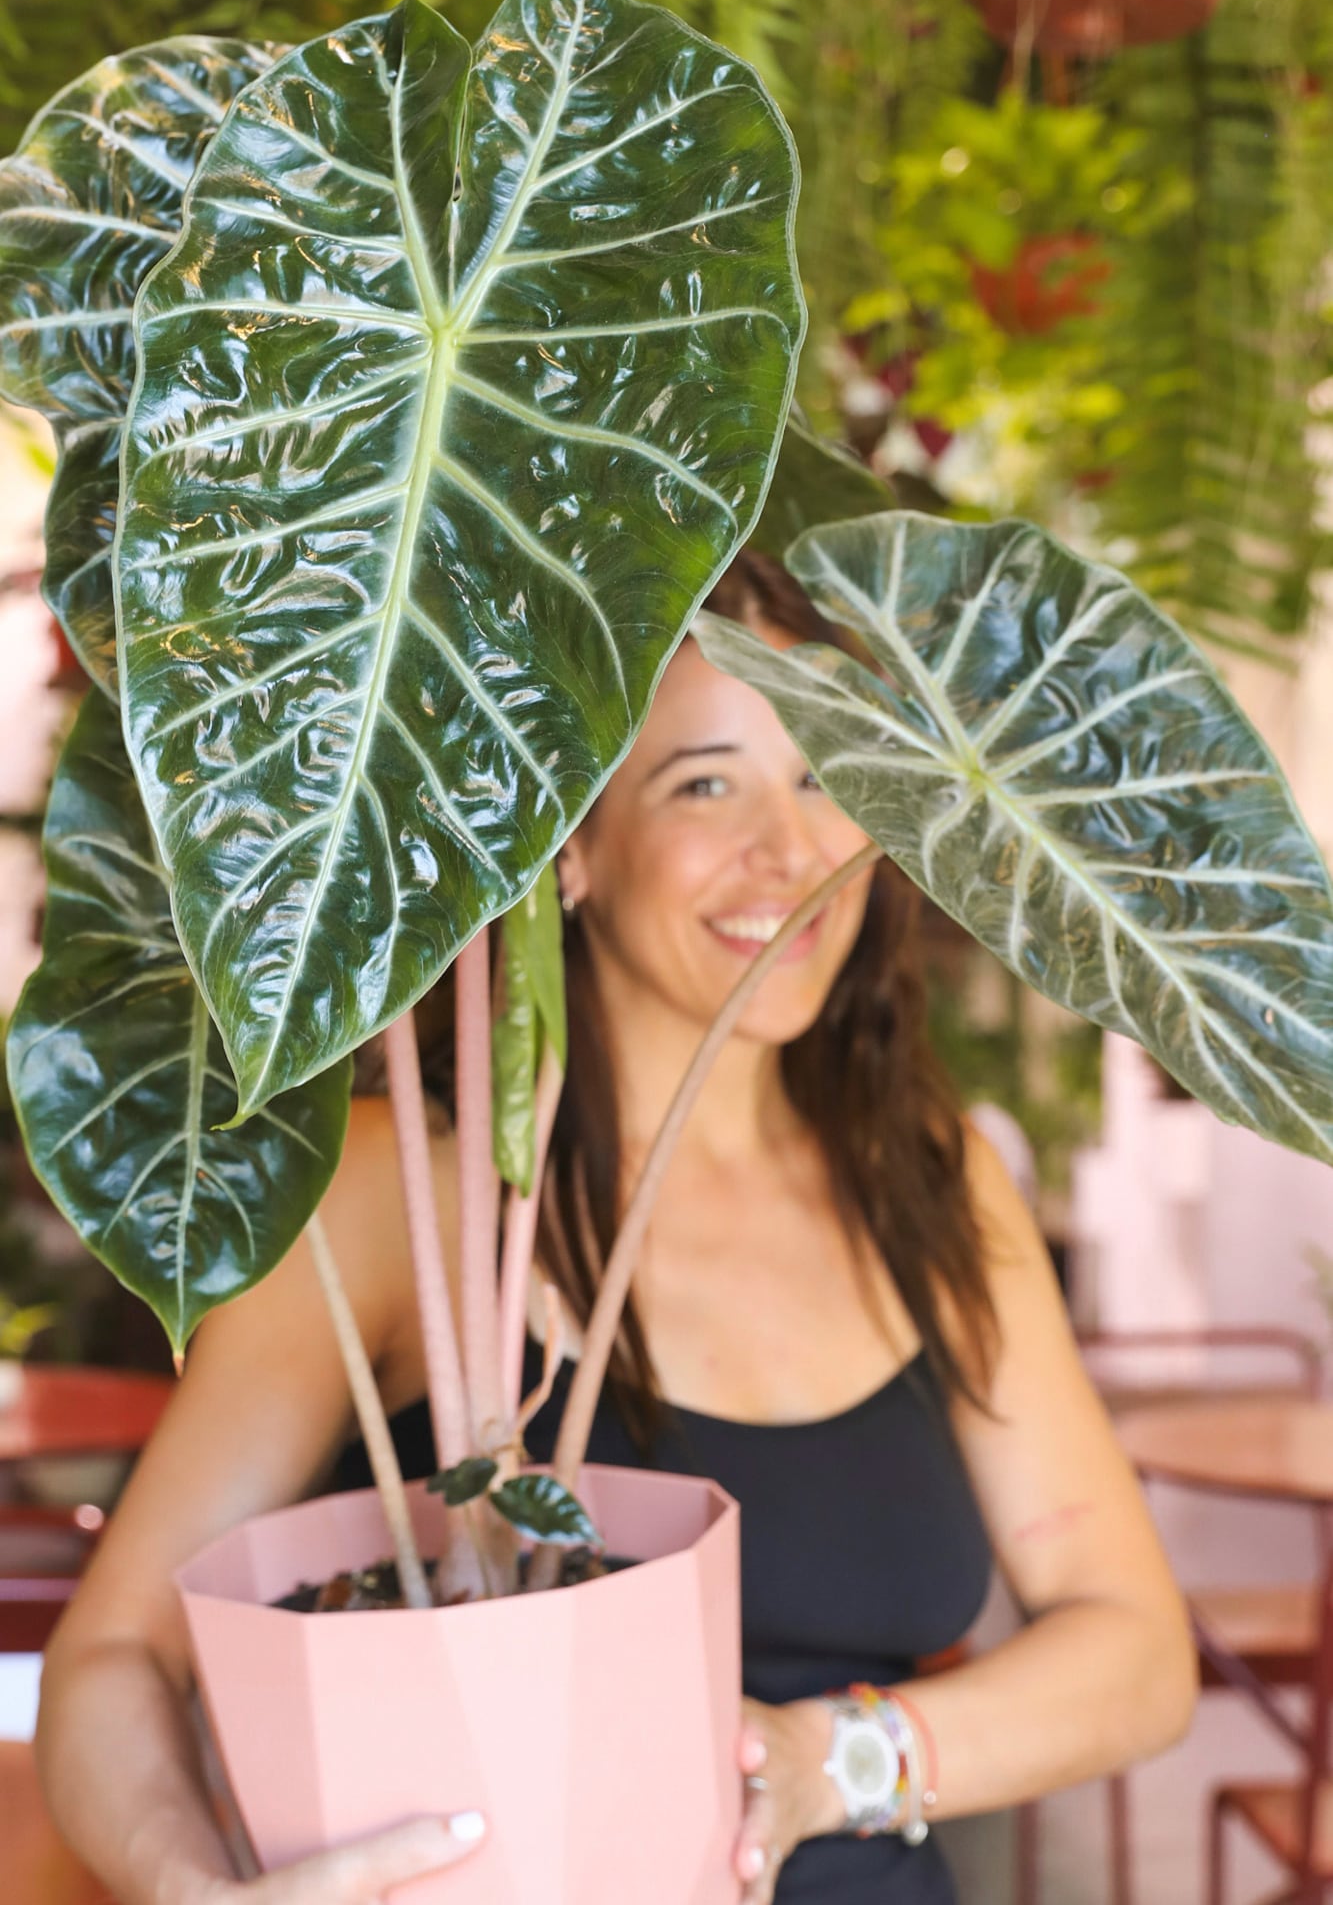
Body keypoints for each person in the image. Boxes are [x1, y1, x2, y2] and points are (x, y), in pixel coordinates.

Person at [35, 553, 1197, 1905]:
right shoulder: (399, 1199)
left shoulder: (931, 1183)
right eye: (705, 783)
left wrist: (831, 1762)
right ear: (571, 847)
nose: (793, 850)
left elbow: (1135, 1649)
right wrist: (193, 1891)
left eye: (824, 776)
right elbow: (112, 1659)